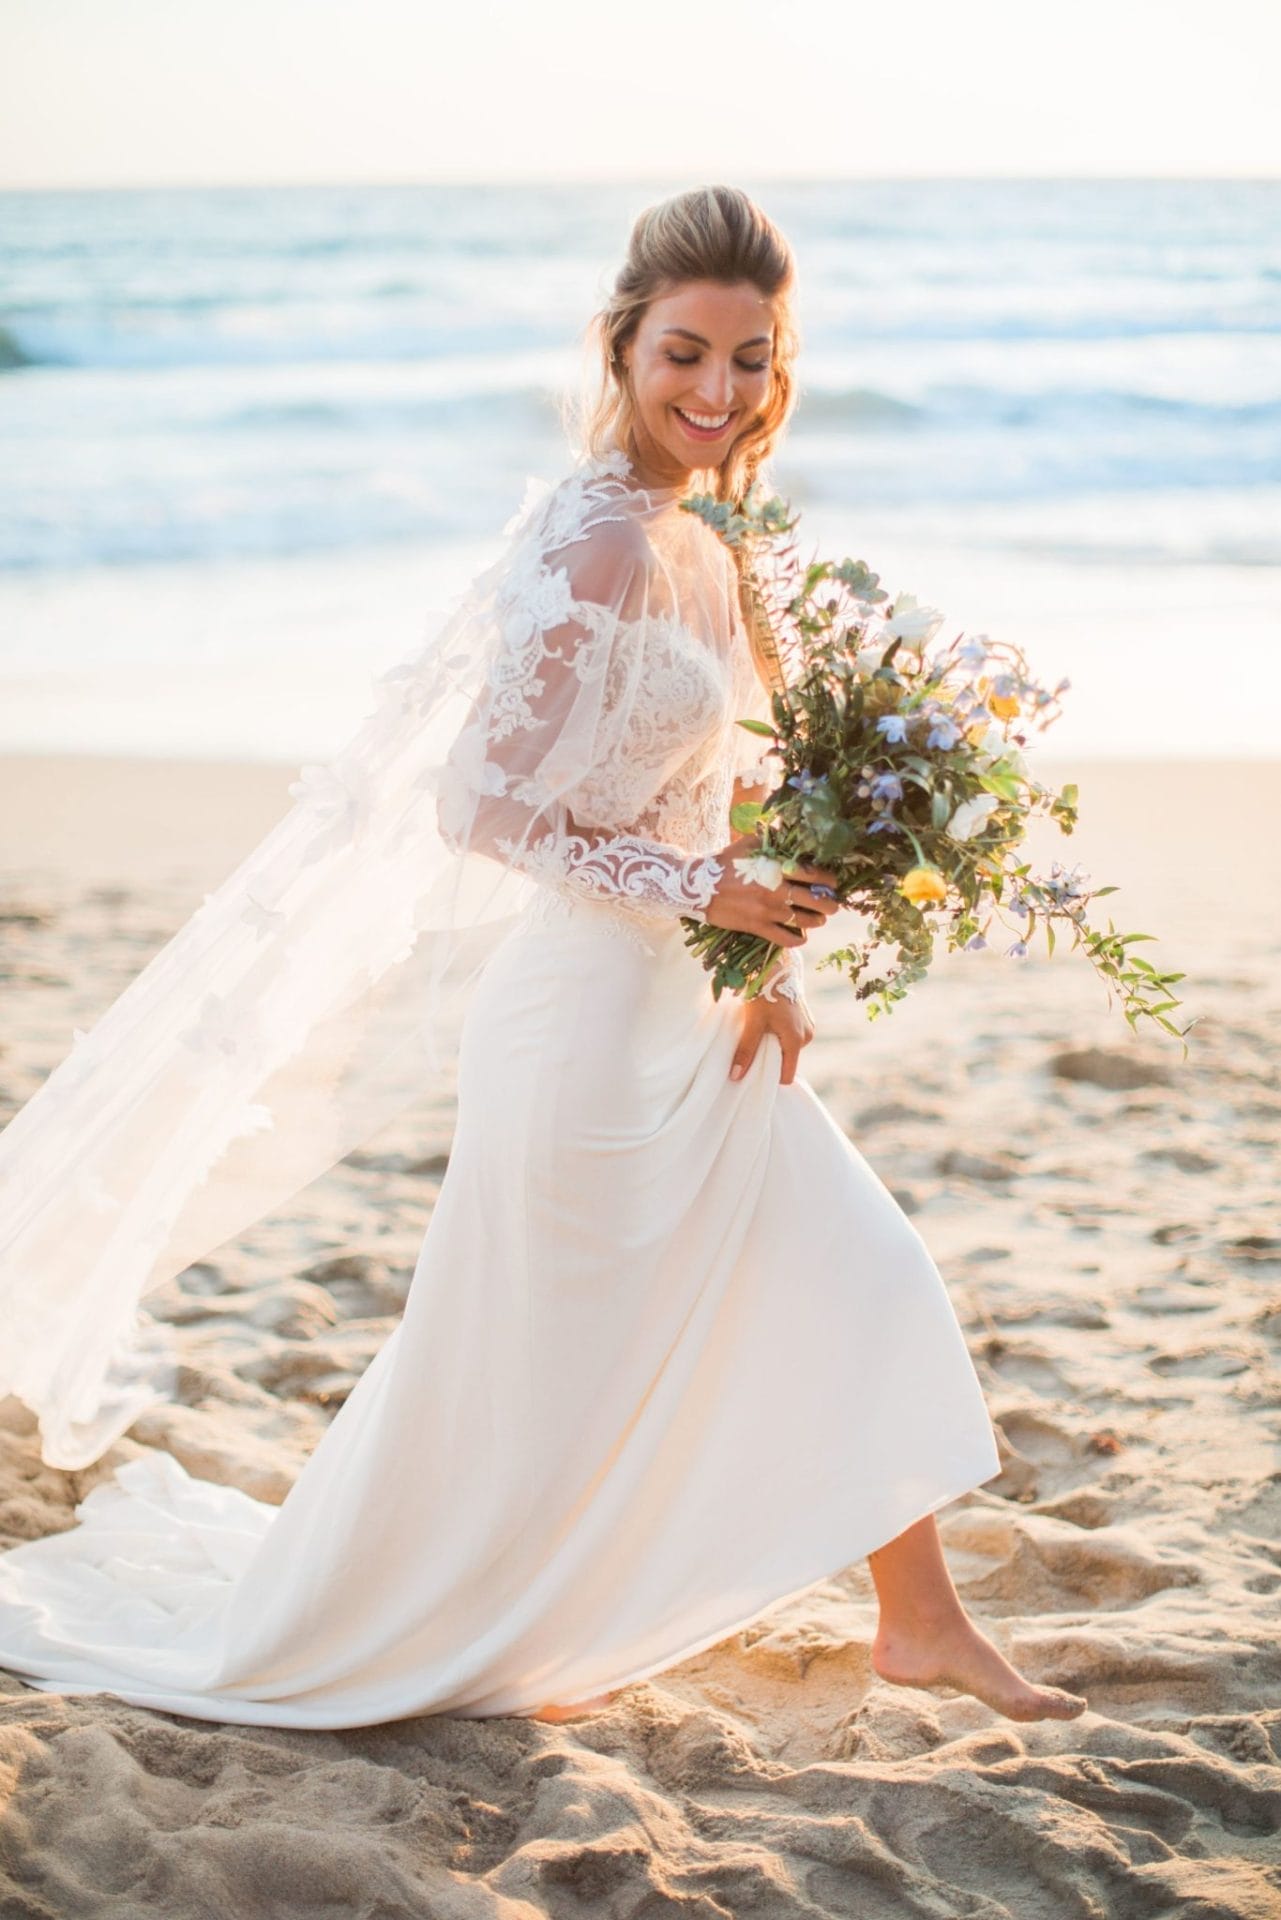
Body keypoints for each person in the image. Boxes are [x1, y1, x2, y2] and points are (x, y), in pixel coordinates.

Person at [0, 185, 1087, 1727]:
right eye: (684, 356)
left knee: (854, 1275)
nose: (718, 394)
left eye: (752, 360)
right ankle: (436, 1612)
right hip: (577, 1023)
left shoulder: (712, 533)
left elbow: (706, 805)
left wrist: (755, 955)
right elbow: (482, 807)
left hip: (682, 1010)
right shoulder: (590, 543)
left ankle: (919, 1622)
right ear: (622, 347)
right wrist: (701, 899)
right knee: (533, 1367)